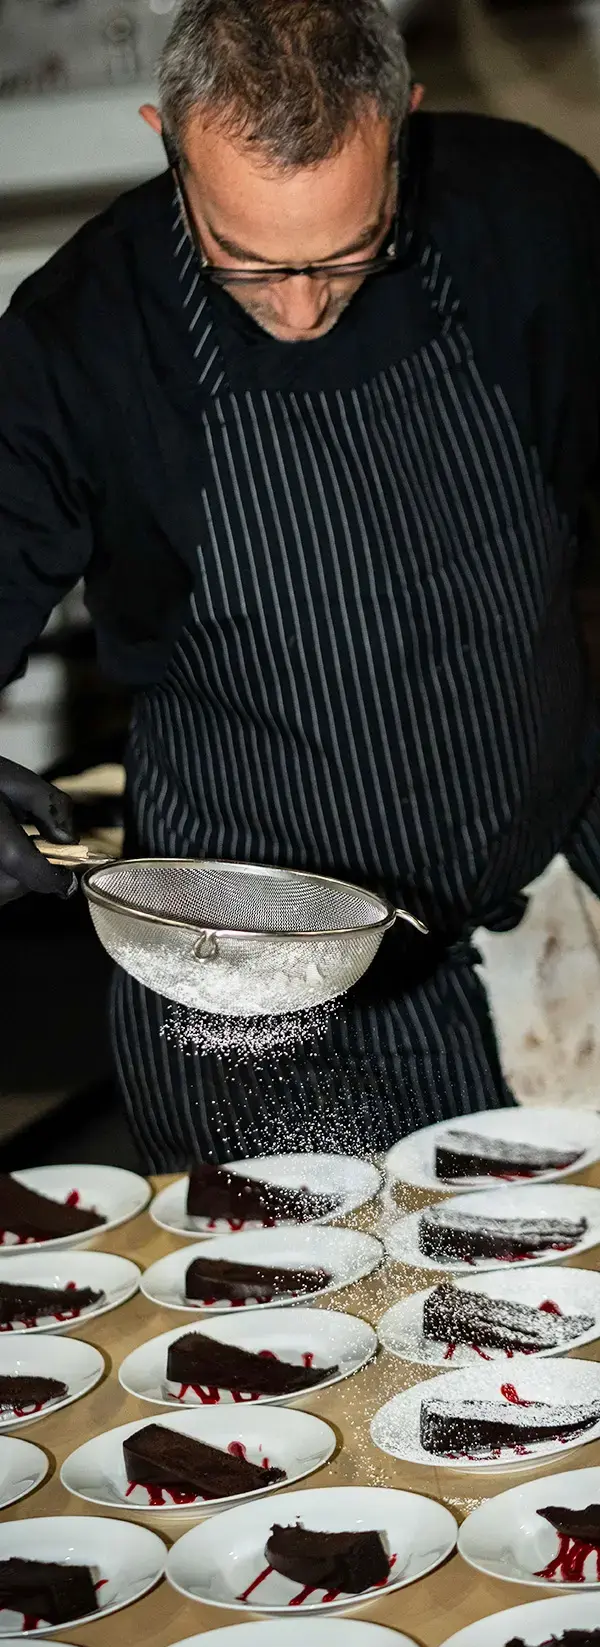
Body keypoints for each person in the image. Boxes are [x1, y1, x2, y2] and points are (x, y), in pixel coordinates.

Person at [2, 0, 600, 1172]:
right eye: (249, 261)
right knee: (313, 1328)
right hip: (254, 981)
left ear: (402, 127)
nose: (300, 307)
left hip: (539, 906)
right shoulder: (79, 335)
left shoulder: (532, 216)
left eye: (344, 251)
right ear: (167, 141)